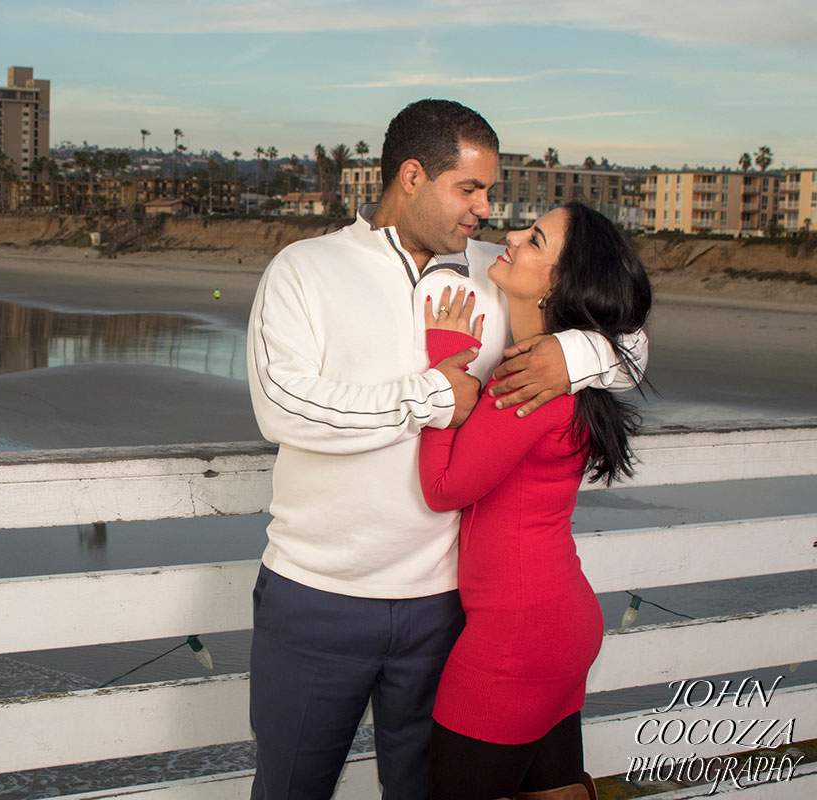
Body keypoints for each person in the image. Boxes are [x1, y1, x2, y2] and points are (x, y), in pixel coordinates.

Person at [246, 99, 647, 800]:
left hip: (446, 608)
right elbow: (282, 408)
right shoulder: (305, 268)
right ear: (411, 176)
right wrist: (431, 396)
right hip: (318, 597)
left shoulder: (500, 270)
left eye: (489, 191)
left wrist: (573, 354)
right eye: (470, 188)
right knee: (290, 790)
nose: (486, 209)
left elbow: (632, 342)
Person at [419, 203, 651, 800]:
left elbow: (443, 489)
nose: (514, 235)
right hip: (559, 622)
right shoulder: (569, 375)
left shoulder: (528, 382)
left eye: (536, 238)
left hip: (517, 639)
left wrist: (444, 372)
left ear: (557, 283)